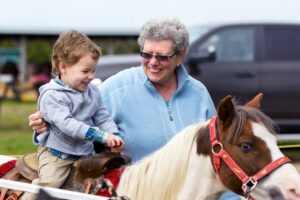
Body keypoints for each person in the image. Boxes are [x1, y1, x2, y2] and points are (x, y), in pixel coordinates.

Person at [28, 18, 238, 199]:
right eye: (146, 54)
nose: (153, 62)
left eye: (162, 57)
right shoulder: (116, 88)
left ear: (180, 56)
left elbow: (220, 155)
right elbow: (72, 125)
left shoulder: (199, 94)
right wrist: (42, 128)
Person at [21, 30, 124, 200]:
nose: (91, 77)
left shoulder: (92, 91)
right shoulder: (51, 95)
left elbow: (102, 117)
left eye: (93, 71)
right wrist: (101, 136)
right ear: (63, 67)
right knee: (49, 185)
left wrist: (114, 135)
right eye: (85, 71)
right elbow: (68, 125)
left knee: (105, 183)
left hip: (85, 154)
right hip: (57, 154)